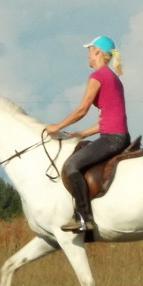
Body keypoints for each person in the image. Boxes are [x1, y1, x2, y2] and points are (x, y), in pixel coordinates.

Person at [44, 35, 131, 233]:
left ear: (97, 52)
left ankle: (83, 218)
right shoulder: (113, 78)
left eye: (89, 52)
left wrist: (56, 127)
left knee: (71, 165)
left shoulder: (98, 76)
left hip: (112, 138)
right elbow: (106, 120)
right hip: (116, 135)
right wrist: (82, 133)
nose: (87, 57)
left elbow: (82, 110)